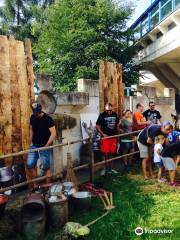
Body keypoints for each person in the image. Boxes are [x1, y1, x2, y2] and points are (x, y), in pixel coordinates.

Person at [27, 102, 56, 185]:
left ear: (40, 109)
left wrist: (46, 145)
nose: (37, 114)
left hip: (44, 146)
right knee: (30, 164)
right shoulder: (32, 117)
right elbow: (32, 129)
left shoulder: (48, 119)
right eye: (35, 112)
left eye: (38, 112)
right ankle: (35, 186)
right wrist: (31, 141)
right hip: (34, 146)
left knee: (46, 167)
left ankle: (48, 186)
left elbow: (53, 133)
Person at [96, 103, 119, 173]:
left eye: (110, 110)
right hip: (105, 138)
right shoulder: (102, 115)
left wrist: (118, 134)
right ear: (105, 109)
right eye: (107, 110)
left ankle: (111, 169)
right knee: (105, 153)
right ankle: (104, 169)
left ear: (112, 109)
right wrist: (102, 134)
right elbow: (97, 125)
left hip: (113, 136)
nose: (109, 111)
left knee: (112, 153)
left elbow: (117, 124)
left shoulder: (115, 114)